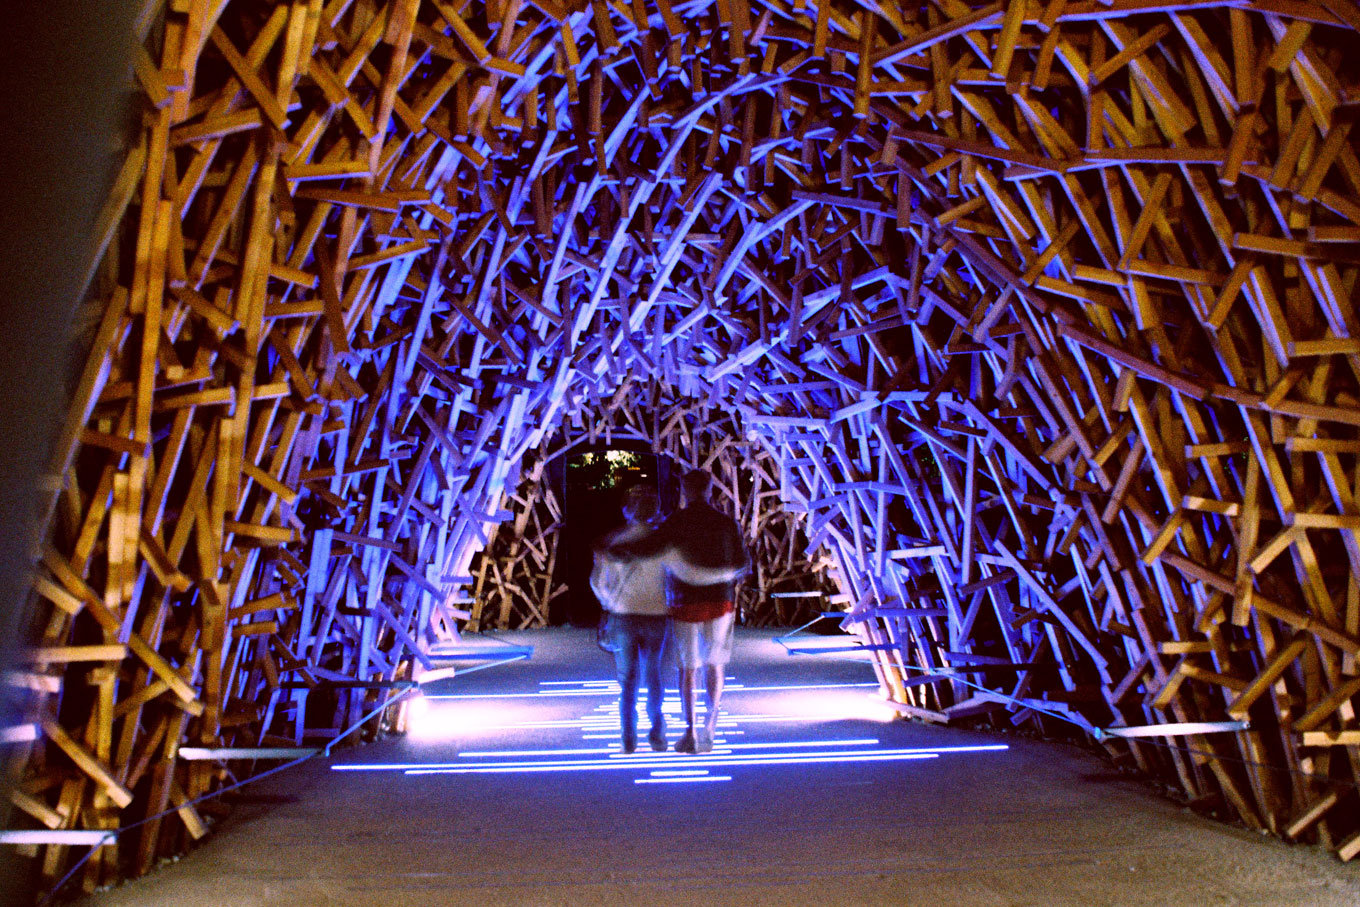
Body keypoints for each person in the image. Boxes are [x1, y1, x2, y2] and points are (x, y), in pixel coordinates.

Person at [610, 470, 749, 754]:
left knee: (688, 667)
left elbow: (649, 549)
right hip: (720, 601)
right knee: (716, 663)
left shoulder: (677, 522)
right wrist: (722, 575)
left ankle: (690, 733)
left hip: (685, 602)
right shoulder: (727, 523)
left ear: (685, 491)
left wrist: (620, 549)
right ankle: (710, 726)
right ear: (710, 490)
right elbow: (743, 562)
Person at [590, 486, 670, 754]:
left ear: (627, 509)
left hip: (624, 614)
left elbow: (597, 582)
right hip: (657, 614)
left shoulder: (613, 542)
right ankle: (657, 731)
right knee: (653, 673)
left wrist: (609, 603)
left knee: (627, 679)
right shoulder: (663, 542)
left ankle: (628, 736)